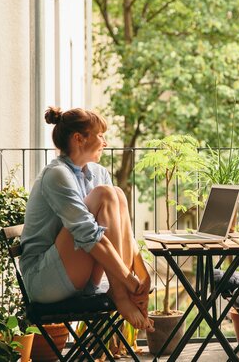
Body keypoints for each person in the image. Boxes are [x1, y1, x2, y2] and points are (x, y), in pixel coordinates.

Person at [20, 106, 154, 331]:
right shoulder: (56, 175)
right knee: (105, 194)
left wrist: (142, 275)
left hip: (78, 274)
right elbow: (88, 235)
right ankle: (120, 295)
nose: (105, 142)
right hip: (44, 280)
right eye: (100, 135)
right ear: (78, 138)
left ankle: (121, 291)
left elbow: (121, 231)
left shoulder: (99, 173)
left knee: (117, 194)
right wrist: (129, 284)